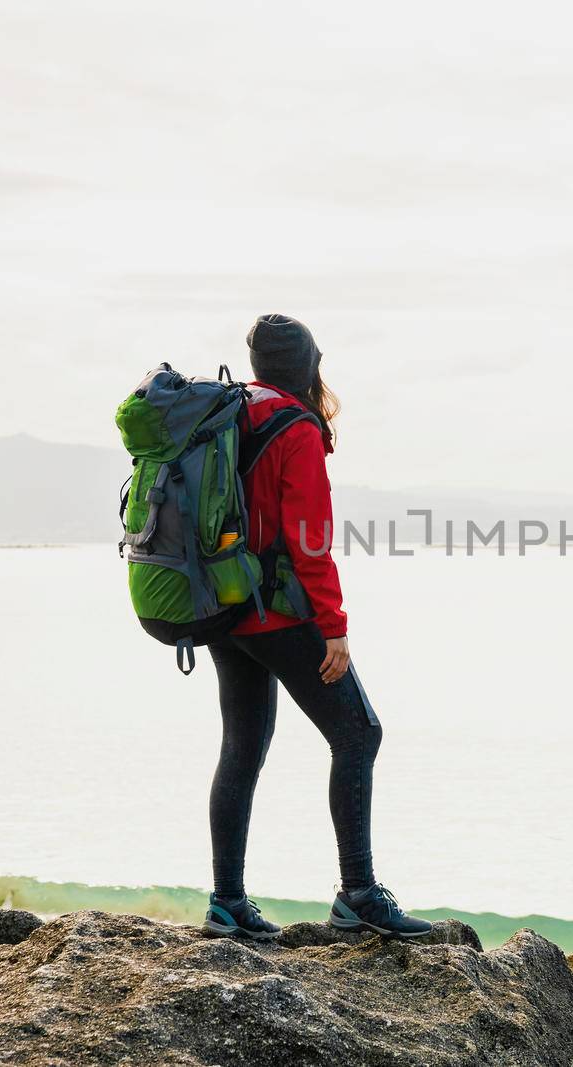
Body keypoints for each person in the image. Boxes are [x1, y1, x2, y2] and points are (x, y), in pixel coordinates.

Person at [201, 314, 431, 941]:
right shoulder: (295, 428)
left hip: (224, 611)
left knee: (241, 747)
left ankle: (227, 902)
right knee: (358, 733)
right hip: (278, 613)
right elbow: (310, 541)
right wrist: (333, 627)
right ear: (307, 365)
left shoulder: (227, 412)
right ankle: (358, 893)